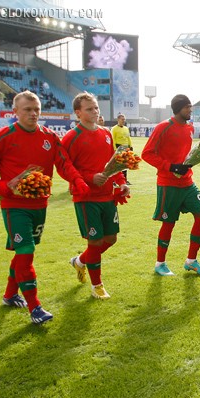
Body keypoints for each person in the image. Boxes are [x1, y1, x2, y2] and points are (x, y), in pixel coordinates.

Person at [0, 91, 90, 324]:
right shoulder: (3, 137)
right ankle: (35, 308)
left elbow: (64, 163)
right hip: (14, 205)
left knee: (24, 251)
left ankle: (10, 295)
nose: (33, 114)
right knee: (26, 251)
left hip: (40, 204)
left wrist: (77, 180)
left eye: (36, 109)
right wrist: (0, 186)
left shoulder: (50, 137)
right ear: (15, 112)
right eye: (27, 110)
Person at [63, 93, 131, 300]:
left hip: (107, 196)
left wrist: (121, 182)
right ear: (78, 112)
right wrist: (90, 177)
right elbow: (65, 168)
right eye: (89, 109)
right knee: (95, 242)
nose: (95, 111)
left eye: (96, 108)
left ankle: (80, 261)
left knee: (110, 239)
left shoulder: (106, 134)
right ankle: (97, 285)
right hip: (86, 198)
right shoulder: (71, 137)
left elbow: (111, 164)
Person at [141, 94, 200, 277]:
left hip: (187, 183)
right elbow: (147, 154)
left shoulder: (189, 128)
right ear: (179, 108)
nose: (190, 110)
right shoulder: (163, 127)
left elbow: (185, 155)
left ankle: (191, 261)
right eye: (187, 107)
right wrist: (170, 167)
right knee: (169, 223)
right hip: (168, 184)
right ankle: (160, 264)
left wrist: (193, 161)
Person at [111, 112, 132, 184]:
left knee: (125, 164)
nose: (123, 121)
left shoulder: (126, 128)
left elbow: (128, 138)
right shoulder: (114, 129)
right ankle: (115, 180)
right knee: (117, 164)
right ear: (118, 120)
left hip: (126, 147)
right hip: (118, 147)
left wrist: (130, 146)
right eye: (122, 119)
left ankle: (125, 179)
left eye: (124, 119)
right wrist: (114, 148)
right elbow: (113, 139)